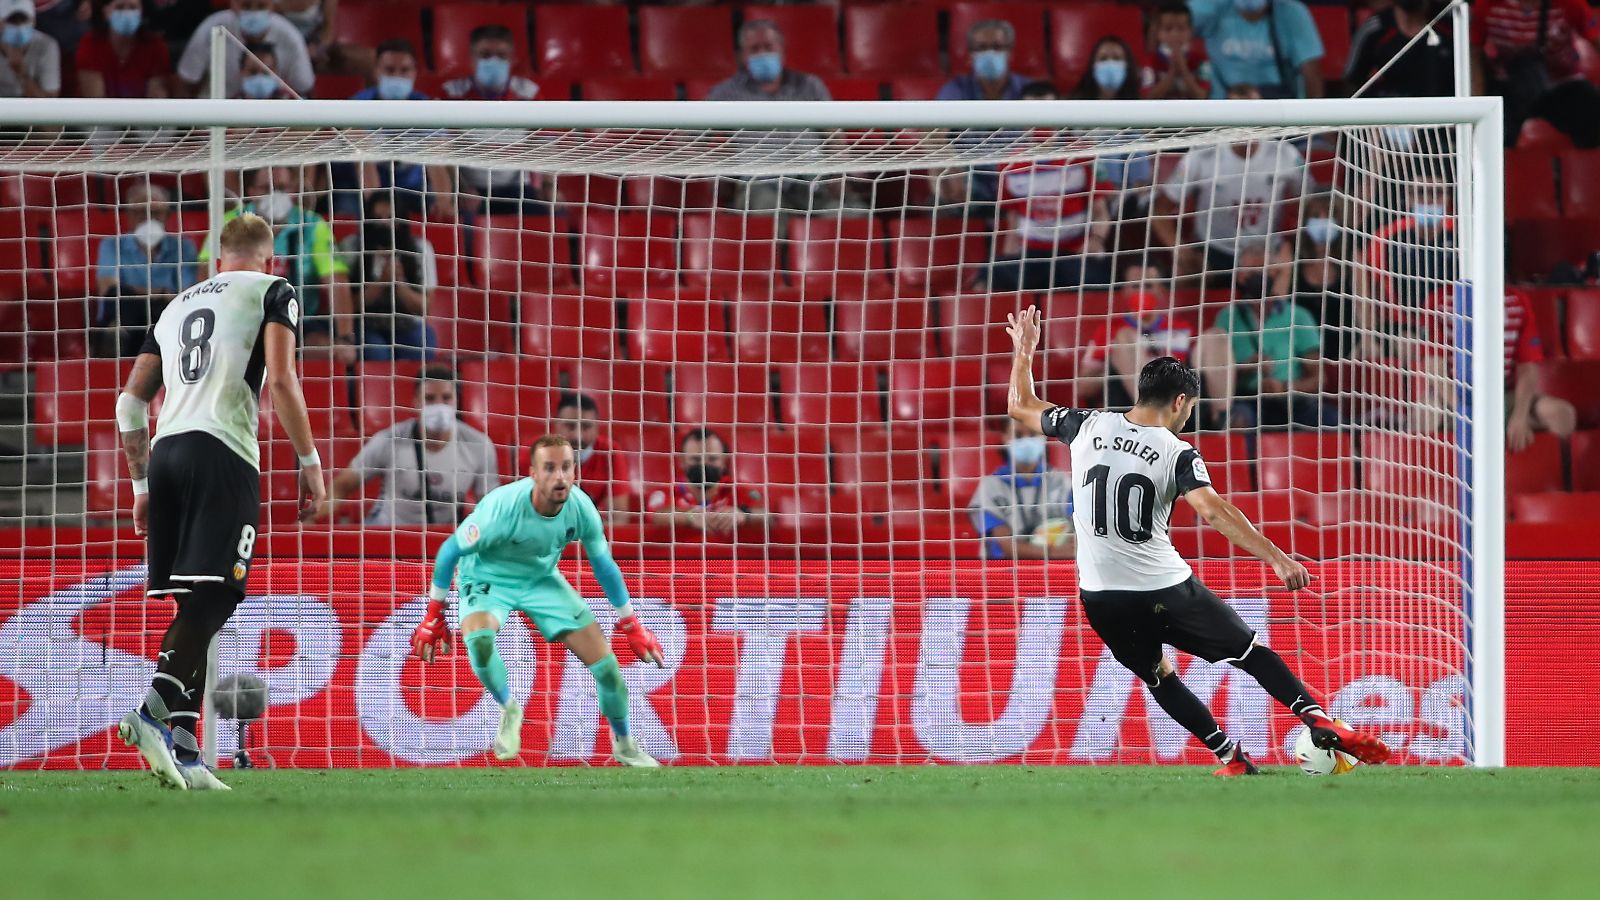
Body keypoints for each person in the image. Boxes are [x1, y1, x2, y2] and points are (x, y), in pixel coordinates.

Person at [1005, 307, 1391, 776]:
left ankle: (1231, 759)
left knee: (1158, 675)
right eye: (1188, 409)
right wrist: (1276, 556)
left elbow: (1019, 405)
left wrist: (1024, 351)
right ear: (1180, 401)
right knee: (1252, 654)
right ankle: (1318, 719)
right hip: (1166, 588)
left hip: (1101, 596)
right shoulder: (1177, 451)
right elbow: (1213, 510)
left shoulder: (1085, 425)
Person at [114, 212, 326, 790]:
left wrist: (140, 486)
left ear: (216, 261)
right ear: (269, 260)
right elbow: (281, 380)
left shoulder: (176, 306)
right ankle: (154, 711)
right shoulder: (274, 291)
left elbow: (129, 405)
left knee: (192, 601)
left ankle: (185, 748)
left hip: (167, 456)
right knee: (218, 596)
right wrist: (310, 464)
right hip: (222, 452)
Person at [411, 434, 664, 767]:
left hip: (541, 580)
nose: (560, 477)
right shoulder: (502, 509)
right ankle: (508, 707)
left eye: (566, 467)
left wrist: (631, 624)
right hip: (487, 577)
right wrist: (433, 614)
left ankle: (625, 744)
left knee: (608, 669)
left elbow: (604, 566)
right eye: (549, 468)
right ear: (533, 473)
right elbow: (449, 552)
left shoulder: (581, 508)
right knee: (481, 640)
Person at [1153, 87, 1304, 279]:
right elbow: (1160, 209)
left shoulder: (1285, 153)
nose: (1245, 120)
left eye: (1252, 112)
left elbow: (1315, 200)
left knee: (1288, 271)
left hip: (1266, 254)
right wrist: (1181, 250)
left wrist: (1289, 248)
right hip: (1212, 252)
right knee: (1185, 274)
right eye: (1238, 112)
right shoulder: (1203, 154)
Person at [203, 166, 353, 358]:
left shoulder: (312, 224)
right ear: (252, 192)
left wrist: (345, 337)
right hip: (241, 320)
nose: (275, 195)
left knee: (337, 353)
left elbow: (336, 280)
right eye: (267, 188)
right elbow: (206, 273)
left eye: (282, 188)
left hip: (300, 323)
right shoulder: (230, 223)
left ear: (292, 190)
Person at [321, 365, 497, 525]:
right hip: (387, 533)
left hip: (442, 541)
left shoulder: (479, 445)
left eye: (446, 398)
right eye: (429, 398)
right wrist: (315, 519)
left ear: (457, 401)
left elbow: (490, 507)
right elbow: (342, 485)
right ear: (416, 402)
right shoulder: (390, 439)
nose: (439, 405)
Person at [988, 81, 1113, 293]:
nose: (1039, 121)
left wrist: (1097, 240)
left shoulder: (1084, 154)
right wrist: (1009, 256)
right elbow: (1012, 223)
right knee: (995, 275)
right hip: (1030, 255)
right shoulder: (1009, 163)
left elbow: (1101, 212)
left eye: (1046, 111)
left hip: (1074, 252)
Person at [1196, 238, 1333, 429]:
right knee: (1238, 420)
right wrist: (1247, 367)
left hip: (1292, 400)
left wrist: (1284, 387)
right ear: (1240, 277)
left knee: (1332, 422)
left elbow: (1319, 379)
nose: (1257, 275)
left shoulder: (1298, 316)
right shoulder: (1227, 318)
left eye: (1263, 269)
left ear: (1275, 273)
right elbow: (1215, 378)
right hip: (1246, 398)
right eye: (1251, 271)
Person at [440, 24, 546, 215]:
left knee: (551, 219)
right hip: (469, 189)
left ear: (512, 59)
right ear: (472, 58)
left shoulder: (529, 93)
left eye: (501, 55)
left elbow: (541, 142)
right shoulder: (452, 93)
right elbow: (442, 147)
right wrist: (459, 187)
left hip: (518, 190)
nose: (493, 61)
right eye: (486, 55)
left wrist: (546, 184)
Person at [343, 39, 452, 219]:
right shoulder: (357, 105)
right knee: (345, 204)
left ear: (414, 73)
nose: (397, 76)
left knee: (441, 208)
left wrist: (444, 202)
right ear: (376, 71)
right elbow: (363, 165)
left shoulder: (428, 108)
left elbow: (437, 163)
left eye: (404, 70)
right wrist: (377, 209)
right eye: (390, 70)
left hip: (413, 189)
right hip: (365, 189)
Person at [1472, 0, 1600, 146]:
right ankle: (1499, 163)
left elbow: (1597, 40)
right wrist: (1476, 103)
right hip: (1511, 88)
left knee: (1590, 108)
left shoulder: (1571, 4)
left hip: (1561, 85)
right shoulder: (1486, 5)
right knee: (1495, 128)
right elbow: (1473, 55)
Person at [94, 183, 199, 358]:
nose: (148, 218)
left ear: (167, 216)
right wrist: (162, 293)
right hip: (125, 316)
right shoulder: (111, 244)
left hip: (165, 315)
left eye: (156, 212)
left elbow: (187, 293)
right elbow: (108, 288)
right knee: (118, 298)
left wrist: (139, 293)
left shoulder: (183, 247)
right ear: (128, 215)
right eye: (140, 211)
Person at [1079, 260, 1199, 410]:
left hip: (1176, 403)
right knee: (1125, 338)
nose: (1141, 292)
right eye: (1135, 286)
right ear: (1125, 291)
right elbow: (1083, 387)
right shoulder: (1109, 331)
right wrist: (1117, 366)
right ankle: (1150, 412)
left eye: (1148, 286)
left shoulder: (1182, 329)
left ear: (1161, 290)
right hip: (1128, 408)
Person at [336, 193, 437, 360]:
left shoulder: (421, 249)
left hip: (407, 323)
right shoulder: (352, 246)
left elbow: (424, 308)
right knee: (377, 352)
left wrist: (399, 284)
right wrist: (381, 283)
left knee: (421, 347)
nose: (384, 224)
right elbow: (348, 305)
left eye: (390, 218)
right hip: (367, 323)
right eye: (377, 218)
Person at [968, 416, 1074, 560]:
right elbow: (1006, 547)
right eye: (1018, 435)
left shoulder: (1061, 482)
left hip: (1053, 570)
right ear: (1005, 438)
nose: (1026, 441)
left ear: (1044, 437)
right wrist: (1055, 553)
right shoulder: (990, 487)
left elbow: (1076, 531)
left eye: (1032, 434)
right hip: (1004, 572)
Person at [177, 0, 313, 98]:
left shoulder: (290, 36)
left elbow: (304, 88)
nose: (253, 12)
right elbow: (187, 80)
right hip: (218, 116)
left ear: (272, 6)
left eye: (261, 6)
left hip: (275, 117)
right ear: (233, 5)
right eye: (246, 5)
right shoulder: (213, 29)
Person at [1190, 0, 1324, 99]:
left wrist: (1315, 123)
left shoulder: (1292, 12)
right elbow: (1175, 29)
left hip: (1278, 115)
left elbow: (1311, 71)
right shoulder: (1209, 8)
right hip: (1223, 114)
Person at [647, 427, 767, 536]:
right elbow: (656, 515)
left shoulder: (738, 488)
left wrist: (743, 514)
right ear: (682, 461)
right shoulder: (666, 490)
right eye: (695, 459)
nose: (704, 464)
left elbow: (767, 515)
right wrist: (690, 516)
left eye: (712, 458)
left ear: (724, 461)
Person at [1503, 287, 1576, 451]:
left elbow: (1528, 368)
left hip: (1506, 395)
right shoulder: (1441, 302)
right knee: (1430, 416)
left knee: (1563, 414)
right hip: (1454, 399)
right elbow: (1437, 373)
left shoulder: (1517, 301)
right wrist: (1466, 415)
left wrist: (1520, 416)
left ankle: (1559, 474)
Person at [1345, 0, 1456, 98]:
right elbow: (1352, 82)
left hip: (1445, 115)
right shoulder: (1374, 29)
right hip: (1390, 116)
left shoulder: (1452, 24)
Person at [552, 391, 631, 522]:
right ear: (556, 425)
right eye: (570, 426)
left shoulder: (610, 452)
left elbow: (619, 517)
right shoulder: (537, 452)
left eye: (586, 426)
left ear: (597, 427)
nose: (578, 436)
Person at [76, 0, 171, 100]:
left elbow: (154, 100)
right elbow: (95, 101)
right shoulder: (90, 44)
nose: (127, 13)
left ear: (141, 12)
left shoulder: (156, 47)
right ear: (106, 12)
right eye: (120, 7)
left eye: (133, 8)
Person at [938, 19, 1029, 102]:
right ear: (970, 55)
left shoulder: (1027, 88)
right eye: (981, 47)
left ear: (1010, 53)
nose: (989, 52)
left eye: (997, 47)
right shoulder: (955, 89)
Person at [1144, 1, 1212, 100]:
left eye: (1181, 29)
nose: (1175, 35)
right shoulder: (1150, 61)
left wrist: (1183, 69)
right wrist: (1172, 72)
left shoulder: (1202, 60)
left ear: (1190, 31)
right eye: (1168, 29)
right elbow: (1147, 97)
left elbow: (1202, 96)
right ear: (1158, 32)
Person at [0, 0, 62, 98]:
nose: (18, 26)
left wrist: (21, 72)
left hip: (31, 112)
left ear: (33, 21)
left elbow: (50, 104)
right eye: (12, 20)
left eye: (23, 20)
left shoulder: (46, 45)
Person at [1070, 36, 1141, 101]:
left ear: (1127, 66)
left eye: (1117, 58)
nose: (1110, 64)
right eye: (1103, 59)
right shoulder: (1075, 105)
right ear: (1093, 66)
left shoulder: (1140, 107)